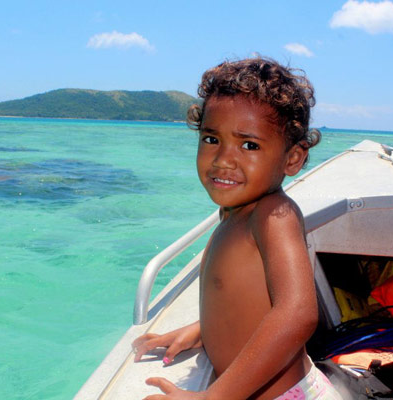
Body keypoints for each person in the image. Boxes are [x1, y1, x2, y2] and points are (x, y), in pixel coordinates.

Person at [132, 57, 341, 400]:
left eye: (249, 145)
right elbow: (246, 301)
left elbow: (297, 313)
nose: (223, 159)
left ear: (292, 159)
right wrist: (202, 331)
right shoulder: (232, 214)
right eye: (212, 139)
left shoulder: (274, 215)